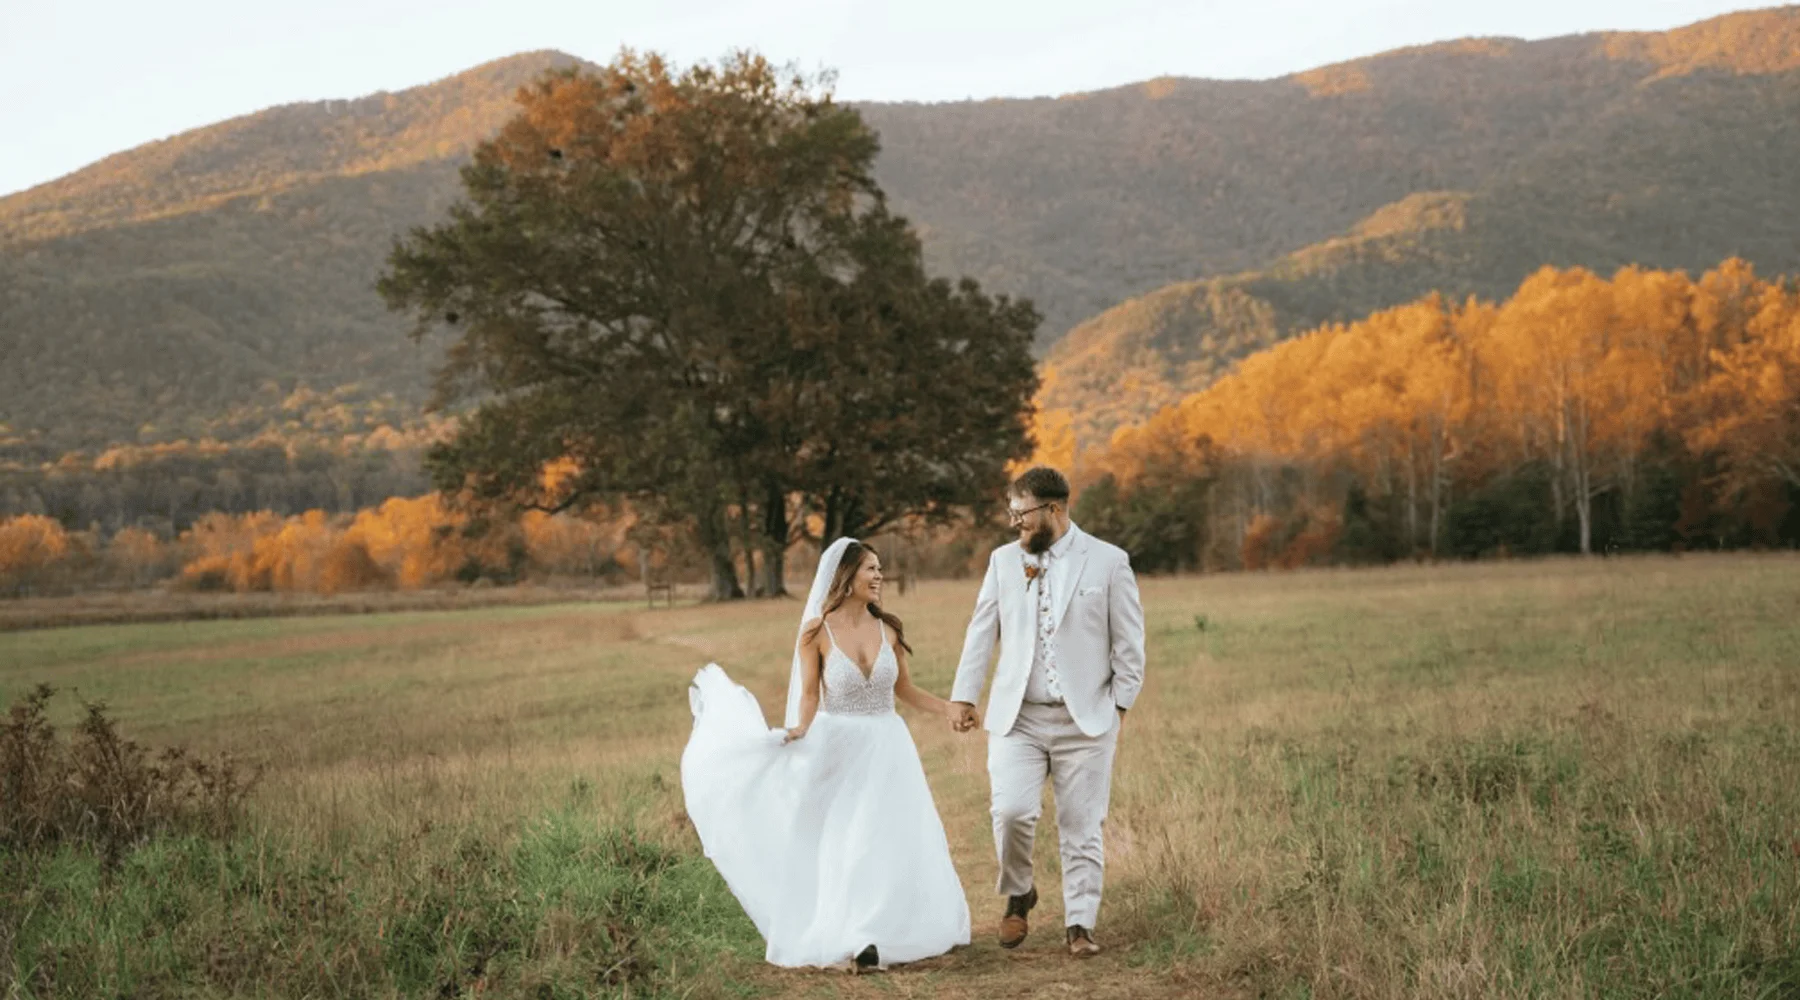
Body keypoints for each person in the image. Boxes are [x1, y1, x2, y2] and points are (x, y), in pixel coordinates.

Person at [681, 537, 972, 971]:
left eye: (880, 569)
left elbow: (904, 690)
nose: (879, 576)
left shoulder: (889, 628)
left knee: (886, 838)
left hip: (888, 747)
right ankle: (856, 937)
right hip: (838, 747)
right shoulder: (816, 633)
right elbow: (811, 694)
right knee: (847, 841)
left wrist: (947, 707)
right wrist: (800, 728)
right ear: (847, 575)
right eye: (871, 569)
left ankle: (885, 929)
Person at [949, 465, 1146, 957]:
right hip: (1019, 718)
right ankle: (1020, 890)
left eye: (1022, 514)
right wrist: (965, 695)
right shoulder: (1002, 561)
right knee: (1011, 812)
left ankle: (1080, 924)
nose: (1015, 523)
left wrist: (1118, 708)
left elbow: (1129, 644)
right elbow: (981, 630)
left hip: (1088, 721)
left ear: (1053, 510)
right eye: (1011, 513)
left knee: (1082, 825)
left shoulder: (1108, 561)